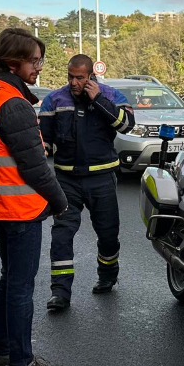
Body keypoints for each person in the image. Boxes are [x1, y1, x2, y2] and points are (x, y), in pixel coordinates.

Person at [0, 27, 69, 366]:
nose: (39, 67)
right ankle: (22, 364)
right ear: (14, 62)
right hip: (19, 207)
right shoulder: (13, 103)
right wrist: (59, 201)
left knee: (9, 279)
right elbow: (34, 166)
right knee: (21, 287)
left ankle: (2, 354)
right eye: (34, 61)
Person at [38, 54, 136, 311]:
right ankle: (60, 293)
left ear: (91, 76)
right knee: (61, 234)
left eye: (79, 78)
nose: (73, 82)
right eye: (70, 77)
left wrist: (98, 100)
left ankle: (107, 275)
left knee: (108, 234)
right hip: (66, 180)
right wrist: (39, 155)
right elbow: (43, 139)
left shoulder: (112, 95)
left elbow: (127, 126)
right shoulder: (54, 99)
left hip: (101, 179)